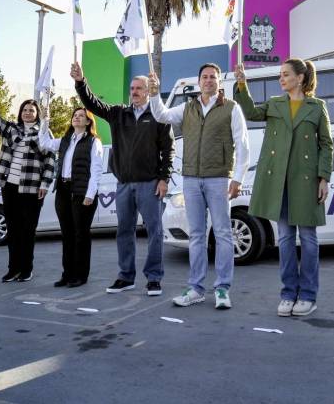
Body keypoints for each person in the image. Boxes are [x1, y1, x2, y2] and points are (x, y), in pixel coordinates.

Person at [234, 58, 332, 317]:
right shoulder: (275, 104)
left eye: (286, 74)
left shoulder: (317, 107)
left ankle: (308, 296)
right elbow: (251, 113)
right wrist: (242, 85)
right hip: (279, 183)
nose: (282, 78)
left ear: (300, 78)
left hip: (306, 182)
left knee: (309, 239)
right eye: (281, 74)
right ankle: (288, 294)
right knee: (286, 239)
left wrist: (324, 177)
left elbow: (326, 145)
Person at [148, 63, 250, 310]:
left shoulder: (231, 108)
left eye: (213, 77)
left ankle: (223, 289)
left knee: (224, 234)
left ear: (218, 81)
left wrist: (238, 178)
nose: (208, 80)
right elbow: (161, 115)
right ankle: (196, 288)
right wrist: (153, 94)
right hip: (191, 179)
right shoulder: (188, 108)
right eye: (204, 77)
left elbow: (243, 144)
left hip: (219, 179)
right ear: (199, 81)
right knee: (196, 235)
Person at [72, 61, 174, 296]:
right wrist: (80, 82)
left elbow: (169, 150)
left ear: (148, 91)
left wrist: (163, 179)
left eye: (139, 88)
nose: (134, 92)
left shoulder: (159, 115)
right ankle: (125, 277)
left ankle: (154, 278)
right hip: (124, 185)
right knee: (124, 232)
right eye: (132, 88)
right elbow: (92, 103)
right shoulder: (118, 113)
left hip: (150, 184)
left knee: (154, 232)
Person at [0, 77, 56, 283]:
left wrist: (45, 184)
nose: (28, 113)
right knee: (13, 230)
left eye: (32, 110)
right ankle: (12, 269)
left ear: (37, 114)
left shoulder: (43, 132)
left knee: (27, 230)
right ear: (20, 112)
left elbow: (51, 160)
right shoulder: (10, 129)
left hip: (32, 188)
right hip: (10, 187)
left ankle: (26, 269)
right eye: (25, 109)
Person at [38, 105, 105, 288]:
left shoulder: (93, 142)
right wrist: (45, 121)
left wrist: (90, 195)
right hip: (64, 190)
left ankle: (80, 275)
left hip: (82, 193)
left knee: (80, 235)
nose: (76, 118)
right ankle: (67, 274)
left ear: (88, 121)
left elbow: (96, 170)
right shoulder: (66, 140)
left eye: (81, 116)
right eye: (75, 115)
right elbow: (43, 143)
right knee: (67, 235)